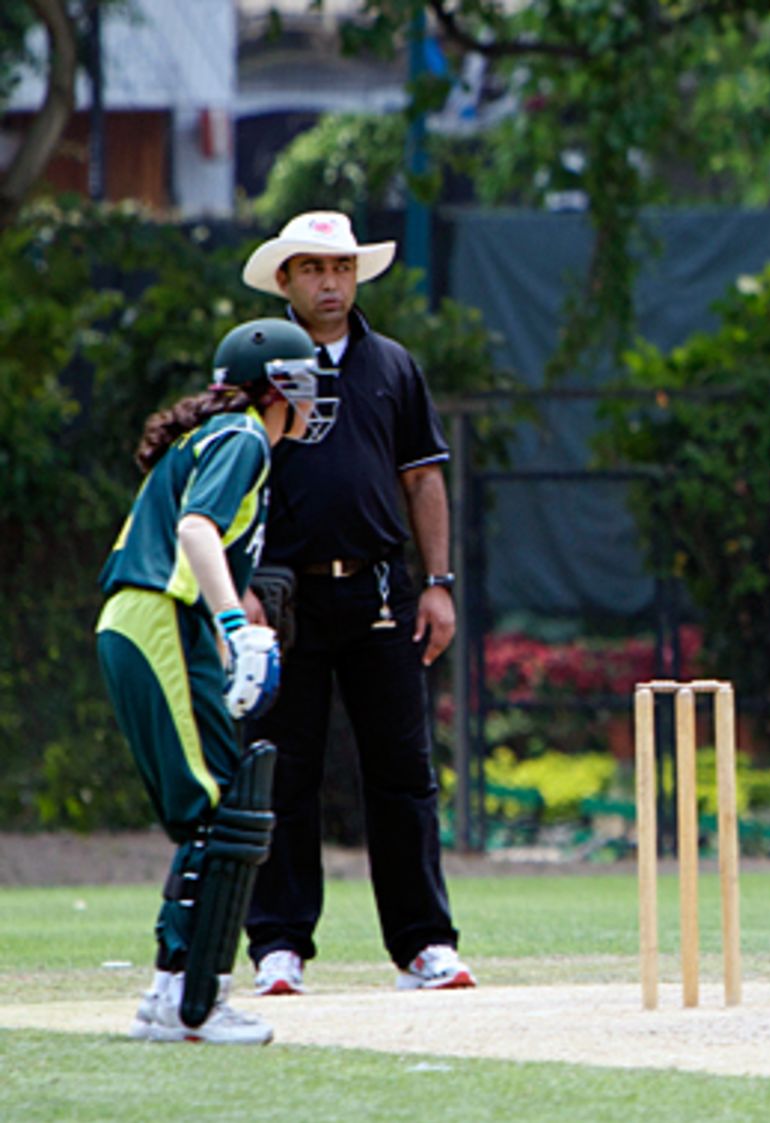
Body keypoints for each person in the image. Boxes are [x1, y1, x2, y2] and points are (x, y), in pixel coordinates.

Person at [238, 211, 475, 993]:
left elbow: (423, 477)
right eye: (312, 269)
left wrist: (438, 585)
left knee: (403, 772)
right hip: (282, 598)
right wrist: (241, 588)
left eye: (340, 267)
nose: (330, 283)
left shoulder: (393, 366)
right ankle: (278, 945)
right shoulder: (254, 367)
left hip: (380, 588)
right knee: (281, 774)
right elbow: (227, 483)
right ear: (286, 281)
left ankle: (422, 944)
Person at [96, 318, 322, 1042]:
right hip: (160, 615)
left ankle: (173, 991)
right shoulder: (245, 436)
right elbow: (196, 529)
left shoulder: (219, 434)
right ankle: (192, 1001)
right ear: (277, 387)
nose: (318, 398)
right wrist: (234, 625)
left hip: (153, 620)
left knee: (216, 805)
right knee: (220, 810)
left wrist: (220, 632)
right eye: (307, 382)